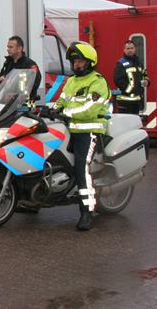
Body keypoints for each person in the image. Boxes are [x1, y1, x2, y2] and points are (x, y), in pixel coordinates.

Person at [55, 41, 110, 231]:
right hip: (70, 130)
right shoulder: (71, 81)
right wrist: (49, 110)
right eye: (73, 61)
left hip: (89, 131)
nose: (75, 64)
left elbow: (89, 108)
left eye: (79, 61)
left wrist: (66, 113)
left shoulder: (98, 81)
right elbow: (61, 101)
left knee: (81, 166)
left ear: (89, 62)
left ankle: (87, 211)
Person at [0, 35, 42, 102]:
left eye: (11, 47)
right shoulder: (7, 63)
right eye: (8, 47)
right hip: (8, 103)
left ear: (19, 48)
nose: (8, 49)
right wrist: (0, 79)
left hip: (24, 105)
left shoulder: (30, 64)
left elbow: (35, 82)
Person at [113, 40, 150, 115]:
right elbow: (117, 80)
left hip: (136, 101)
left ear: (135, 49)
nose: (130, 50)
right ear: (124, 50)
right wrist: (129, 90)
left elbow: (144, 74)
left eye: (132, 48)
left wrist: (146, 80)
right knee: (126, 124)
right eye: (128, 48)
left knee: (134, 124)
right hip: (125, 102)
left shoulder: (138, 62)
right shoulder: (121, 63)